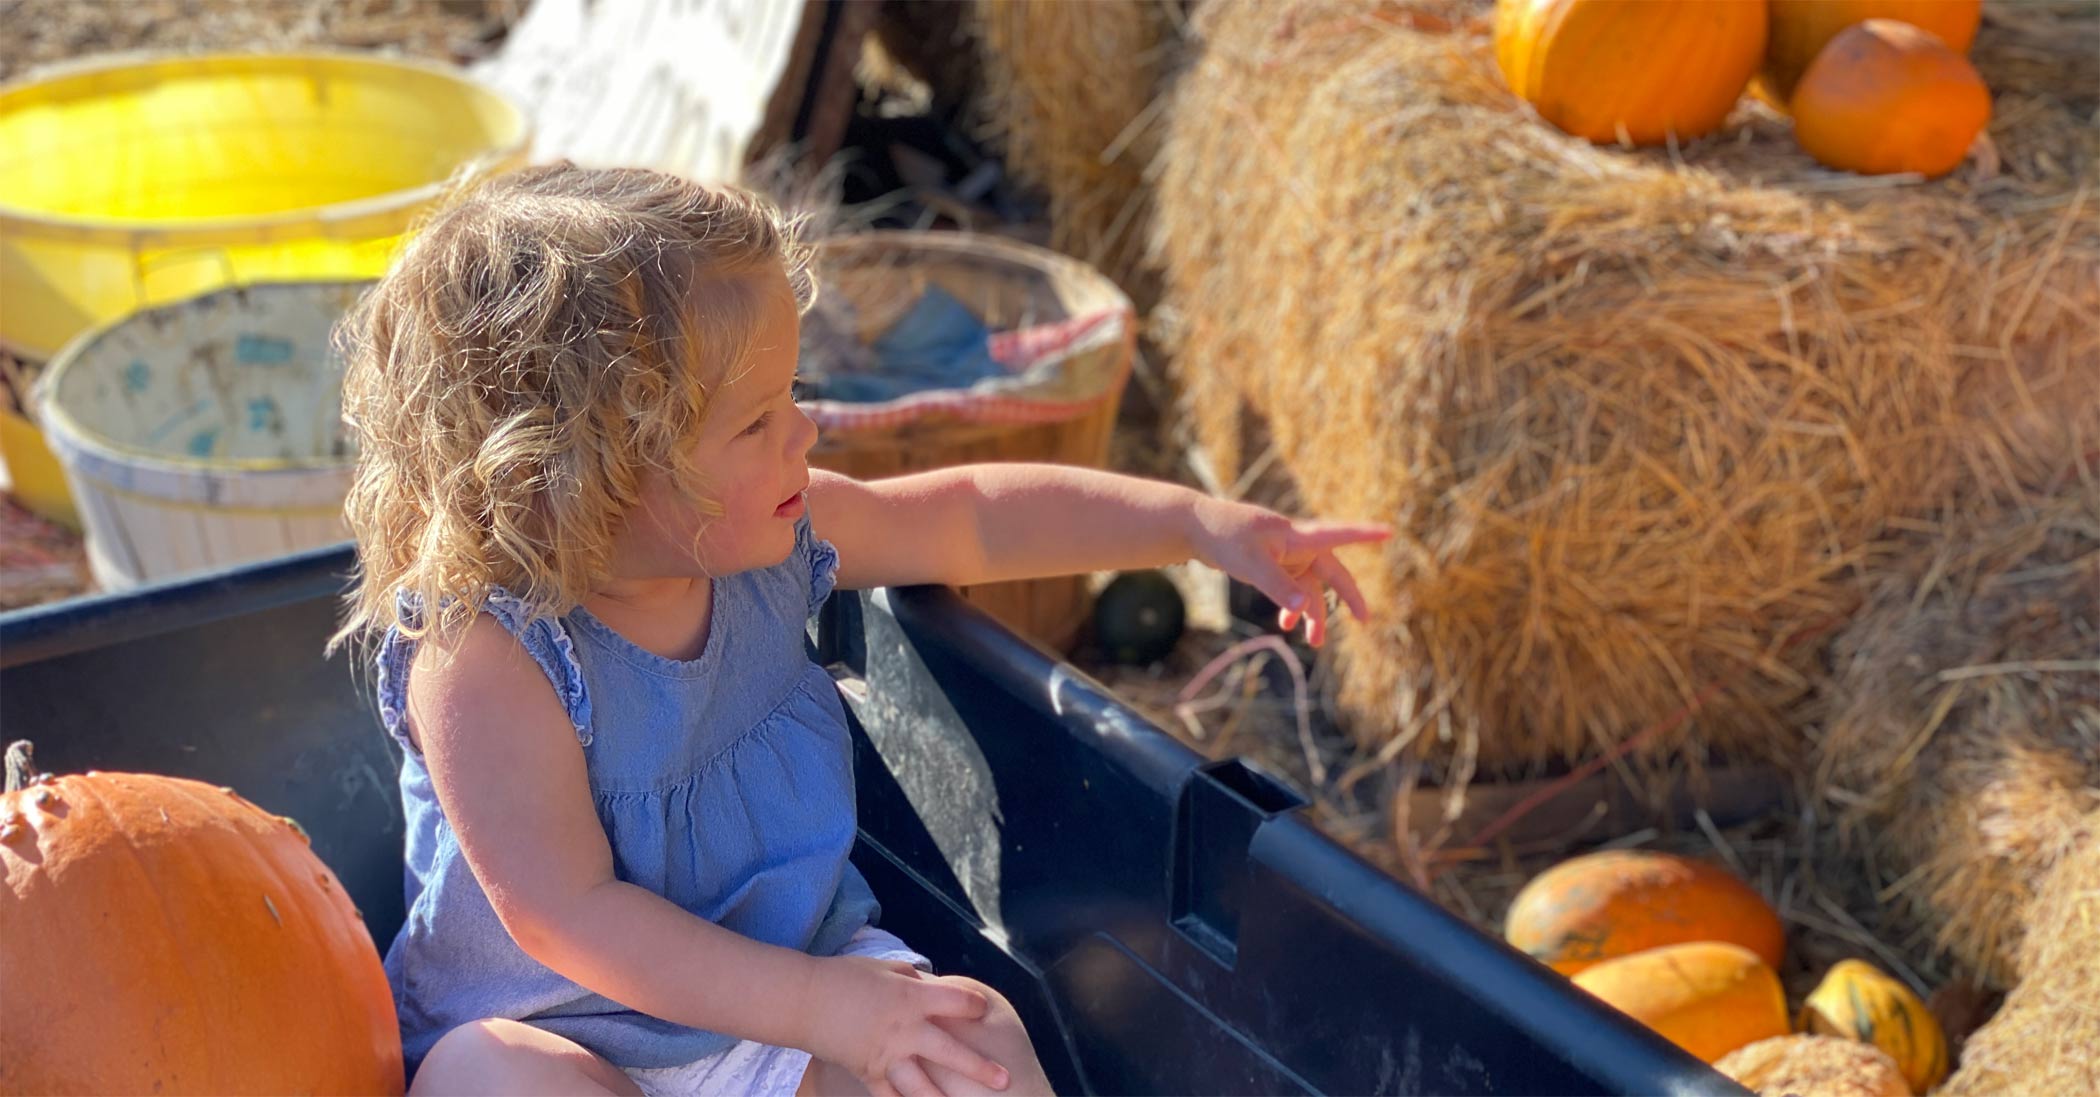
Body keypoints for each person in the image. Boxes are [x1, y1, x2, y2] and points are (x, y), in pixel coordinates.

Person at [331, 162, 1389, 1097]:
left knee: (972, 1038)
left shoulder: (767, 539)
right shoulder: (486, 654)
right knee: (493, 1083)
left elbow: (966, 516)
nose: (806, 428)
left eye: (791, 394)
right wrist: (824, 1007)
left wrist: (1196, 526)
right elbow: (568, 915)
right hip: (570, 1026)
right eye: (756, 420)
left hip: (795, 984)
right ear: (583, 477)